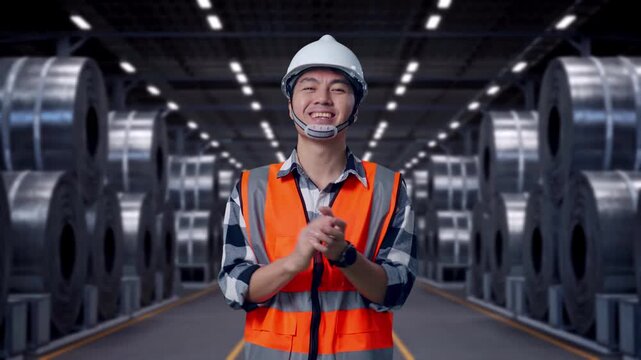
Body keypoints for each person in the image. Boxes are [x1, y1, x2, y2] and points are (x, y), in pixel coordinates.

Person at [218, 34, 416, 360]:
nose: (322, 98)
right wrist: (293, 262)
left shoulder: (388, 188)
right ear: (290, 104)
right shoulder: (251, 187)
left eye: (338, 89)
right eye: (308, 88)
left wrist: (345, 256)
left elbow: (396, 290)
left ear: (356, 106)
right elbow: (234, 287)